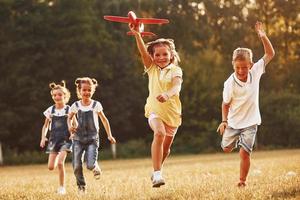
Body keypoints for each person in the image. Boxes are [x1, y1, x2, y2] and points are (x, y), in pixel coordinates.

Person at [216, 21, 275, 187]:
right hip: (233, 122)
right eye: (238, 68)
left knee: (245, 153)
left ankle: (242, 181)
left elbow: (270, 54)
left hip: (251, 122)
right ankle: (234, 140)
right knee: (226, 148)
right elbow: (225, 104)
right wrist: (224, 121)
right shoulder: (229, 83)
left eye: (244, 67)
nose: (241, 71)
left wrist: (262, 36)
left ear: (250, 65)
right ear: (233, 66)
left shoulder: (255, 71)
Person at [129, 24, 183, 187]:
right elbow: (142, 52)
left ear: (171, 55)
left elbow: (177, 86)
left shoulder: (176, 70)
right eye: (157, 55)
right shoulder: (151, 68)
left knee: (166, 150)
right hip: (154, 111)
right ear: (152, 56)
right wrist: (137, 34)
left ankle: (155, 171)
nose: (161, 57)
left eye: (165, 54)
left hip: (173, 114)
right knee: (159, 133)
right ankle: (158, 175)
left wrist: (167, 94)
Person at [67, 77, 116, 193]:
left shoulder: (96, 105)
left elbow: (104, 120)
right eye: (84, 90)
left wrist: (109, 135)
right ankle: (81, 187)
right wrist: (70, 127)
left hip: (92, 139)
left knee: (89, 165)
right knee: (76, 165)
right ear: (79, 91)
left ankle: (94, 165)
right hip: (78, 139)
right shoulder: (75, 105)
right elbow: (69, 119)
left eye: (89, 90)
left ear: (92, 91)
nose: (86, 92)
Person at [40, 81, 73, 195]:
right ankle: (58, 154)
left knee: (60, 163)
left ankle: (62, 187)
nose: (57, 97)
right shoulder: (50, 110)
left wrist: (73, 131)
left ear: (65, 96)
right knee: (50, 167)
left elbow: (75, 124)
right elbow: (45, 126)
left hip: (66, 140)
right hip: (53, 140)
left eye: (59, 95)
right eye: (54, 95)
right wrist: (43, 137)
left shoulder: (69, 109)